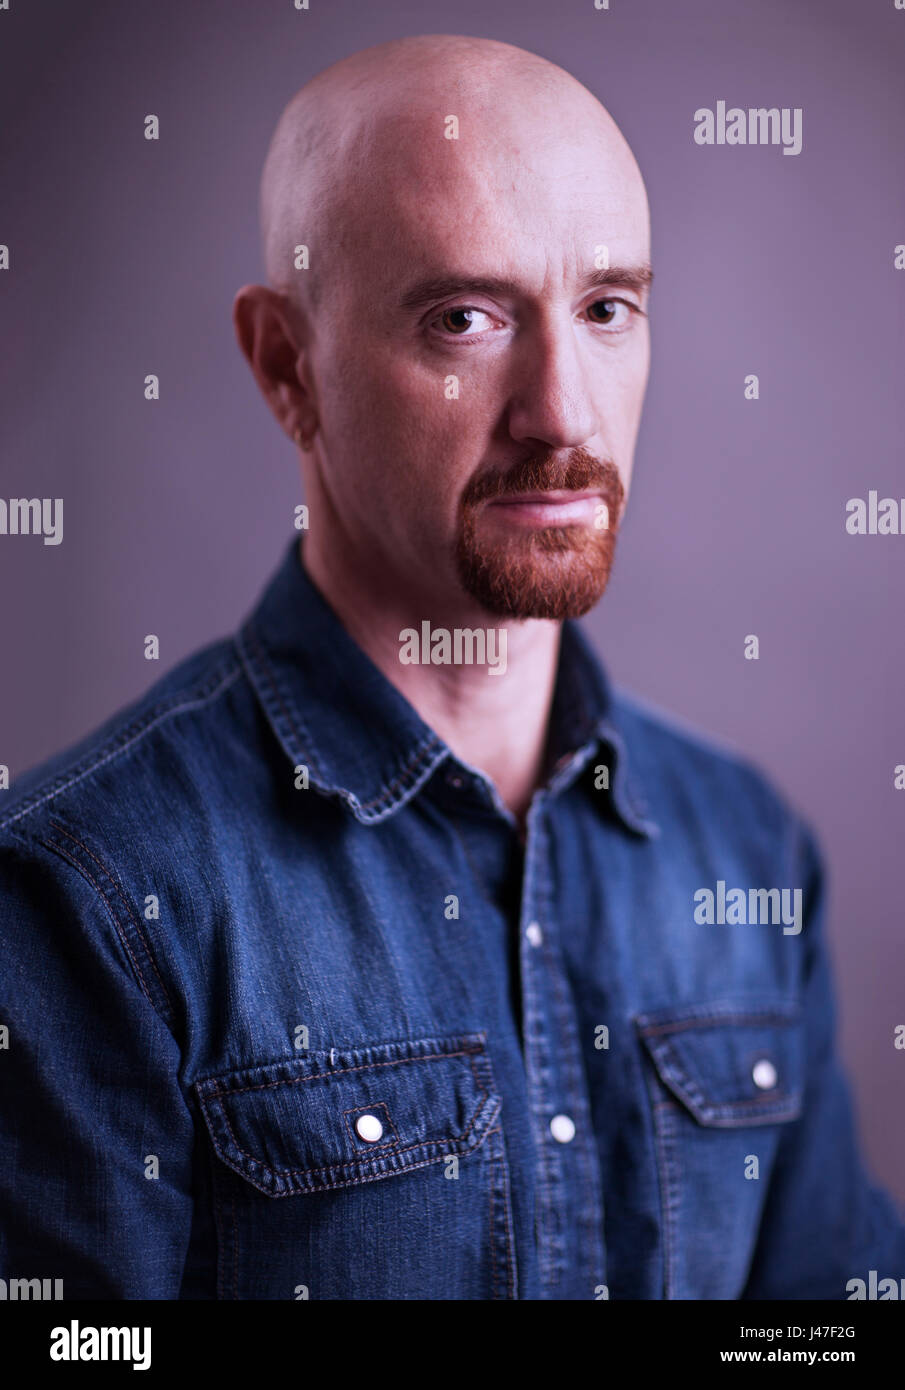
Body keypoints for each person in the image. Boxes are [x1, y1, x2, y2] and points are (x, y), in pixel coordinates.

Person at [1, 34, 902, 1301]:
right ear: (286, 366)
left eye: (604, 309)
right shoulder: (82, 899)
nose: (563, 413)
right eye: (464, 319)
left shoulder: (743, 852)